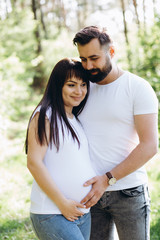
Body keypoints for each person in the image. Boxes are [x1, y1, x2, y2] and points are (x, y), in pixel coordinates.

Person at [73, 26, 158, 240]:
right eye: (83, 59)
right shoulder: (81, 89)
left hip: (128, 192)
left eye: (94, 58)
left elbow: (149, 146)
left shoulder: (137, 87)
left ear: (111, 52)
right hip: (88, 193)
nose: (88, 66)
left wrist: (107, 179)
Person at [25, 58, 96, 240]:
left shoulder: (74, 118)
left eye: (83, 85)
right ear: (58, 85)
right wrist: (62, 203)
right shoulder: (45, 114)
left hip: (81, 213)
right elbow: (34, 163)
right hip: (53, 212)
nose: (79, 91)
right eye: (71, 85)